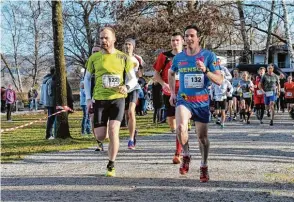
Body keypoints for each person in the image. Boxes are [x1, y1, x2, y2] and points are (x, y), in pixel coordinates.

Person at [168, 25, 223, 182]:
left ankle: (204, 165)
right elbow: (171, 73)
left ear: (199, 38)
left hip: (201, 102)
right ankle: (185, 154)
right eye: (186, 36)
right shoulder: (179, 57)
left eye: (192, 35)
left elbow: (219, 80)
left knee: (202, 138)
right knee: (180, 127)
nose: (189, 38)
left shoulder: (209, 56)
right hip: (184, 99)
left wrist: (205, 70)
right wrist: (172, 92)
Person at [84, 27, 137, 177]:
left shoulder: (123, 57)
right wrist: (88, 99)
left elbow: (133, 79)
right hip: (100, 99)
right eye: (101, 38)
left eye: (106, 38)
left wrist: (126, 87)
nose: (103, 41)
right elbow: (87, 79)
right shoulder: (94, 58)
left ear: (114, 39)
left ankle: (111, 164)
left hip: (117, 99)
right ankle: (105, 133)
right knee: (101, 136)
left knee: (114, 130)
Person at [153, 32, 184, 164]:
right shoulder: (164, 56)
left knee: (180, 124)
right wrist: (163, 84)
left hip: (184, 92)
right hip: (168, 92)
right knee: (172, 122)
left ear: (182, 41)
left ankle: (178, 152)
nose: (175, 43)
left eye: (177, 40)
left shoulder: (188, 55)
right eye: (172, 40)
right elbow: (156, 74)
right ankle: (179, 137)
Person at [123, 38, 142, 150]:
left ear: (133, 46)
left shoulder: (137, 58)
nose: (127, 46)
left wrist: (137, 70)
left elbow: (140, 74)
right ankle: (133, 131)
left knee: (131, 112)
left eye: (129, 44)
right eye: (125, 44)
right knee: (126, 115)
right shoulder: (119, 57)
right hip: (122, 88)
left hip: (133, 88)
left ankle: (131, 140)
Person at [41, 68, 56, 139]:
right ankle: (49, 134)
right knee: (51, 119)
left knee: (50, 119)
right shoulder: (51, 80)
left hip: (47, 102)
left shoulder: (45, 80)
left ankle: (50, 134)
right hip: (51, 102)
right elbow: (50, 93)